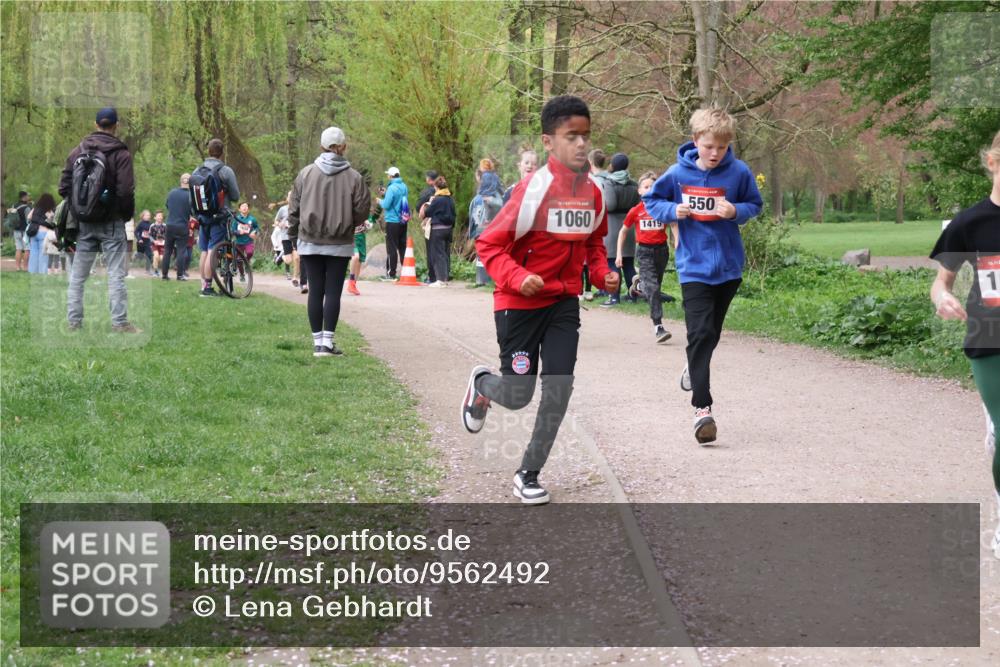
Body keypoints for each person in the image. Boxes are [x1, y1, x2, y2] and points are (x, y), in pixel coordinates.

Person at [461, 95, 618, 505]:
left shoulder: (593, 193)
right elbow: (488, 244)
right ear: (549, 142)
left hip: (563, 304)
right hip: (519, 304)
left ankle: (528, 473)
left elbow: (594, 244)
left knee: (559, 389)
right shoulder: (532, 190)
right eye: (571, 136)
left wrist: (602, 275)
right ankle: (482, 385)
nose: (581, 144)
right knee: (518, 395)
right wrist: (519, 277)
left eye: (585, 136)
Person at [643, 107, 763, 444]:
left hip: (728, 268)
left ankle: (694, 363)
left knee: (710, 334)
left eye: (722, 147)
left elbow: (755, 204)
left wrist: (736, 210)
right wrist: (672, 210)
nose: (715, 153)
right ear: (696, 140)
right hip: (693, 267)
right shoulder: (677, 174)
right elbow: (652, 199)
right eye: (709, 146)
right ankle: (702, 410)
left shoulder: (738, 172)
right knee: (699, 334)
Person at [929, 129, 1000, 559]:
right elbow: (941, 283)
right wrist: (943, 299)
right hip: (990, 338)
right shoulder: (970, 223)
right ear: (992, 163)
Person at [288, 126, 370, 356]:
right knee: (333, 291)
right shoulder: (354, 177)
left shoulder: (305, 174)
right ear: (343, 147)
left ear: (322, 146)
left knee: (315, 290)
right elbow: (362, 209)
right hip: (340, 242)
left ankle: (317, 343)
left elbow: (294, 209)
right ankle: (327, 343)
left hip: (309, 240)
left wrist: (293, 237)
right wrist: (348, 222)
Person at [58, 106, 138, 332]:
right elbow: (125, 191)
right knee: (115, 275)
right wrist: (125, 214)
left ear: (95, 125)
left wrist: (80, 207)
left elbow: (63, 186)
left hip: (84, 223)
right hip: (112, 221)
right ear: (116, 126)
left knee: (77, 276)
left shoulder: (78, 150)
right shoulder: (121, 154)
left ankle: (74, 322)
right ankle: (119, 323)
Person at [619, 171, 672, 343]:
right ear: (640, 191)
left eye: (653, 186)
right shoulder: (635, 211)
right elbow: (623, 231)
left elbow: (673, 224)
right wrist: (619, 254)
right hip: (644, 251)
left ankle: (640, 285)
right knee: (654, 289)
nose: (650, 189)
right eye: (646, 186)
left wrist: (678, 244)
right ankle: (658, 326)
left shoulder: (663, 207)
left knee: (655, 285)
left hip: (662, 251)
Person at [194, 138, 240, 297]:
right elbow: (235, 196)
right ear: (222, 152)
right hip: (219, 216)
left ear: (208, 151)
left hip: (202, 216)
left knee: (204, 250)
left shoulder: (197, 170)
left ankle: (203, 285)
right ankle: (208, 288)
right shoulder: (225, 171)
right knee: (212, 250)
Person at [599, 152, 640, 307]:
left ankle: (614, 297)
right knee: (628, 263)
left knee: (612, 262)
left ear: (613, 165)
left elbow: (610, 205)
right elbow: (637, 204)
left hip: (612, 226)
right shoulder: (633, 184)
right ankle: (633, 296)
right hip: (629, 226)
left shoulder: (609, 183)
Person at [468, 159, 504, 287]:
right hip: (492, 228)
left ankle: (483, 279)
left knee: (483, 253)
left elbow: (473, 217)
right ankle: (487, 279)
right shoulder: (495, 187)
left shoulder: (480, 197)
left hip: (483, 229)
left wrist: (472, 232)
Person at [422, 175, 456, 287]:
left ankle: (440, 280)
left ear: (436, 187)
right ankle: (445, 278)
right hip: (448, 229)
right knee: (445, 254)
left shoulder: (437, 199)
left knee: (438, 254)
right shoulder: (450, 199)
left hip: (438, 230)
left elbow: (428, 213)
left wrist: (429, 203)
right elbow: (454, 214)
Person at [377, 166, 409, 280]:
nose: (387, 176)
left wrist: (379, 201)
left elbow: (386, 205)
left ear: (391, 176)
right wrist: (386, 194)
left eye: (388, 175)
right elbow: (398, 200)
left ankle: (391, 274)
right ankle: (406, 272)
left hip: (392, 221)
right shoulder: (404, 186)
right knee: (402, 247)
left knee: (392, 247)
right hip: (403, 220)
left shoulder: (391, 188)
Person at [163, 173, 192, 280]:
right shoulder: (191, 195)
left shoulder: (172, 192)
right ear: (190, 182)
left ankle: (164, 275)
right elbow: (193, 211)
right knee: (181, 251)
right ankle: (180, 275)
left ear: (181, 181)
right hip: (182, 225)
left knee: (167, 250)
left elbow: (167, 206)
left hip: (170, 224)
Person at [416, 170, 438, 283]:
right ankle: (443, 276)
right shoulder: (445, 191)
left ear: (428, 179)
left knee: (430, 250)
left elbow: (418, 206)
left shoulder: (427, 192)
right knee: (441, 252)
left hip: (430, 223)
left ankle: (432, 277)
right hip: (444, 225)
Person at [26, 193, 56, 274]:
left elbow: (28, 217)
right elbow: (52, 222)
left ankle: (32, 272)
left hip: (34, 232)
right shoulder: (50, 210)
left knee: (33, 253)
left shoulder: (36, 208)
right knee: (43, 255)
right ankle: (42, 273)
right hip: (44, 233)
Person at [346, 216, 372, 296]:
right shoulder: (349, 209)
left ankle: (353, 285)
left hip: (361, 237)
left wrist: (369, 222)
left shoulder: (364, 210)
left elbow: (370, 221)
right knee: (355, 257)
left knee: (359, 261)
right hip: (352, 237)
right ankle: (351, 281)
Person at [231, 201, 260, 266]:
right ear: (239, 209)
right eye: (243, 206)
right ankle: (242, 272)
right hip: (239, 242)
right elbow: (232, 230)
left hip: (249, 241)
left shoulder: (252, 219)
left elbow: (257, 228)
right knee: (239, 260)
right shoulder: (236, 219)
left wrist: (254, 232)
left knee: (250, 253)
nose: (244, 207)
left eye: (246, 206)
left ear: (248, 209)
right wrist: (238, 232)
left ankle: (247, 262)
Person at [12, 191, 31, 271]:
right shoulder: (27, 208)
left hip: (16, 230)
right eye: (27, 196)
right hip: (25, 231)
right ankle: (25, 267)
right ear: (24, 197)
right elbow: (29, 220)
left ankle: (17, 267)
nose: (28, 197)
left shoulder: (14, 206)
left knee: (18, 248)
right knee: (27, 249)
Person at [134, 210, 153, 274]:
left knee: (149, 255)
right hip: (141, 242)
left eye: (149, 215)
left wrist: (152, 241)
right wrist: (139, 239)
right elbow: (135, 232)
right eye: (147, 215)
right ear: (143, 216)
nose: (148, 216)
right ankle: (136, 255)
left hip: (147, 242)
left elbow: (152, 233)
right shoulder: (140, 223)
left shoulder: (151, 224)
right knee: (140, 256)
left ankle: (148, 270)